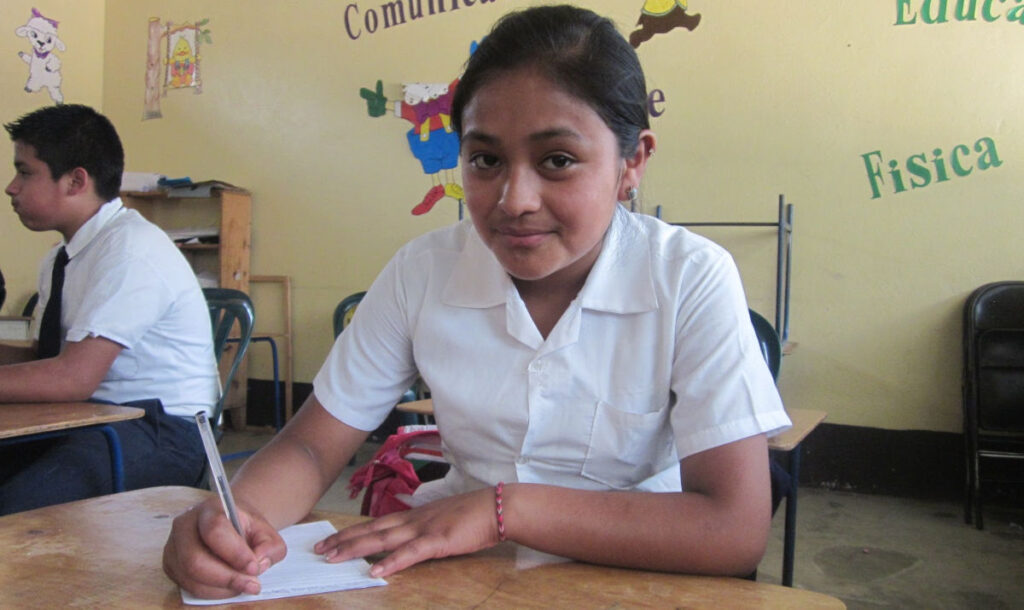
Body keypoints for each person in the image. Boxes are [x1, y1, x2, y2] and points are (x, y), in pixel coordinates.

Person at [163, 5, 791, 599]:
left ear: (633, 162)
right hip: (457, 578)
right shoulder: (423, 271)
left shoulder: (688, 276)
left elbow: (732, 530)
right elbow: (310, 447)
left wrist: (506, 509)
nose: (513, 198)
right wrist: (233, 519)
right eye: (485, 159)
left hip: (635, 576)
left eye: (558, 160)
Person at [0, 104, 219, 514]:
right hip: (85, 417)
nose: (12, 187)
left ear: (75, 181)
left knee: (19, 507)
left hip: (160, 431)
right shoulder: (62, 258)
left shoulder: (130, 249)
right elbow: (45, 360)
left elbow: (71, 379)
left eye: (25, 172)